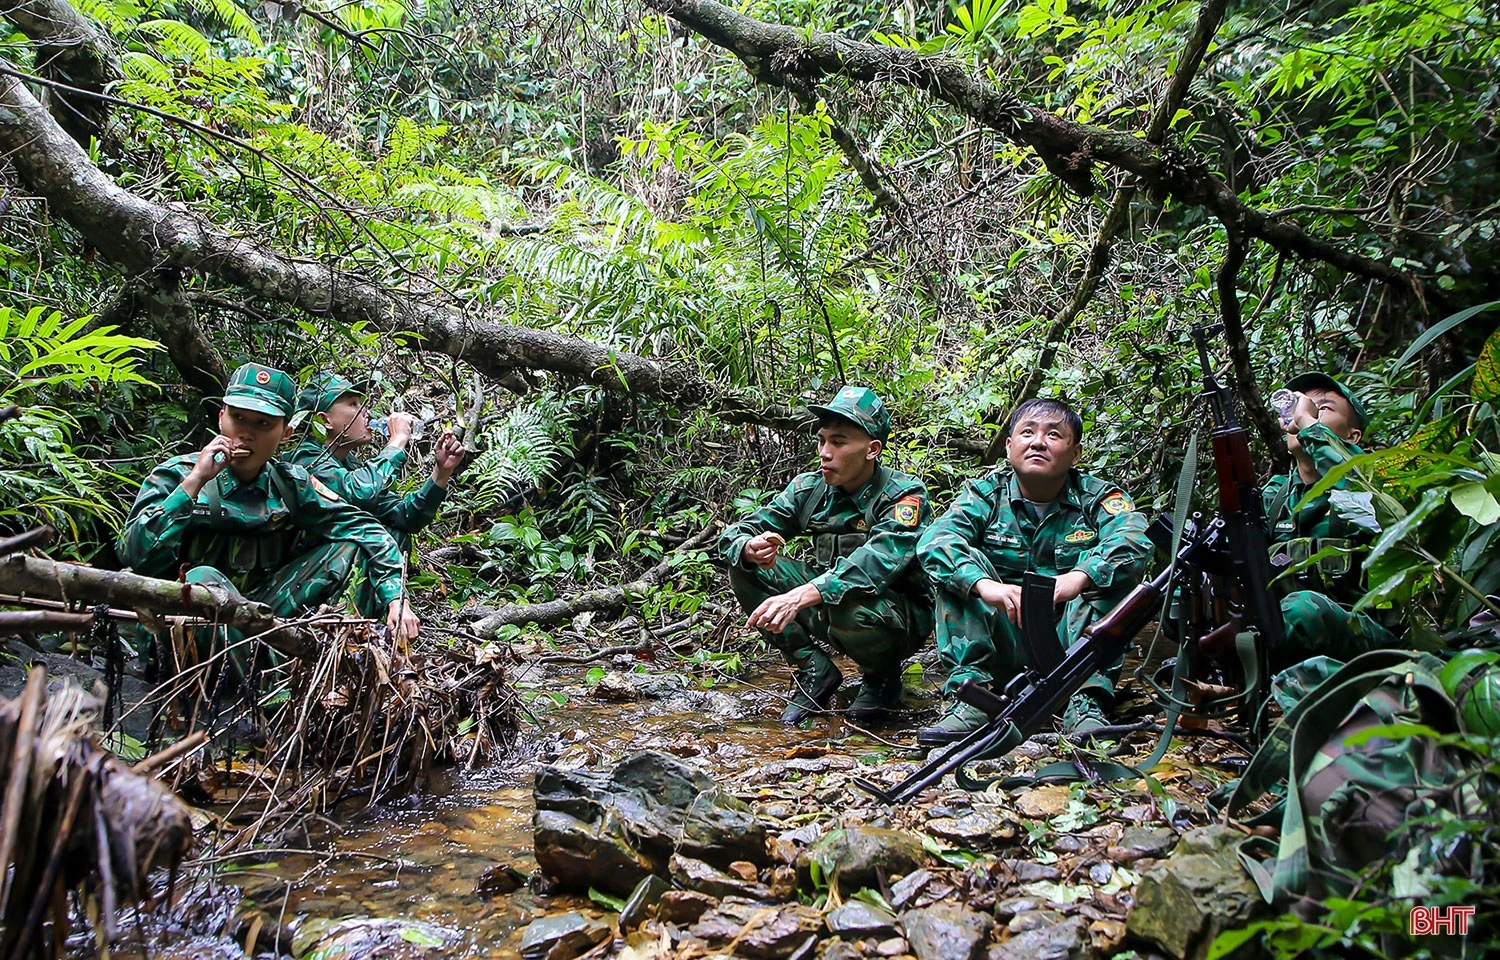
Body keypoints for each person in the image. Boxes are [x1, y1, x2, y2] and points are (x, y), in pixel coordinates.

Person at [120, 362, 420, 649]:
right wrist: (194, 483)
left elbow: (365, 527)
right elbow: (136, 555)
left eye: (263, 423)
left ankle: (325, 661)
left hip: (266, 615)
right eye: (238, 418)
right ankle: (263, 685)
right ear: (221, 417)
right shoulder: (178, 473)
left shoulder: (290, 483)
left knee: (352, 548)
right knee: (201, 581)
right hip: (186, 629)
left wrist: (396, 597)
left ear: (285, 433)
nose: (247, 434)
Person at [916, 398, 1152, 744]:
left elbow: (1135, 539)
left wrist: (1078, 577)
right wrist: (984, 585)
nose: (1038, 442)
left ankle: (1086, 700)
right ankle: (970, 697)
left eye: (1054, 435)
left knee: (1108, 575)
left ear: (1075, 454)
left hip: (1072, 643)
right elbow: (936, 540)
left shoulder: (1097, 498)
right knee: (959, 575)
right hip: (1004, 635)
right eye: (1027, 432)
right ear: (1010, 447)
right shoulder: (984, 495)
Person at [717, 386, 934, 725]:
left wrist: (800, 596)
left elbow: (878, 562)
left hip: (895, 617)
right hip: (830, 605)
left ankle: (882, 679)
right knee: (745, 568)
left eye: (839, 442)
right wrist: (748, 547)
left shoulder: (904, 494)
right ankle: (812, 667)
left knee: (847, 600)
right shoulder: (809, 488)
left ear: (872, 449)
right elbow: (738, 531)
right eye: (821, 441)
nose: (824, 452)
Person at [286, 373, 464, 612]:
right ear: (324, 420)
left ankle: (363, 625)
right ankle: (337, 626)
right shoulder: (307, 459)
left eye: (362, 404)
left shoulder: (348, 464)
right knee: (359, 544)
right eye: (352, 404)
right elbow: (359, 492)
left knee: (395, 534)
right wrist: (398, 440)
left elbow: (406, 517)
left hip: (320, 574)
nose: (365, 411)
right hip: (293, 583)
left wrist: (440, 474)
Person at [1262, 372, 1396, 669]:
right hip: (1287, 634)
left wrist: (1311, 427)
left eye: (1321, 408)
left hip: (1365, 634)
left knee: (1301, 610)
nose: (1302, 413)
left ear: (1352, 435)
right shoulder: (1275, 498)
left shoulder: (1373, 481)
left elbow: (1364, 492)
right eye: (1299, 406)